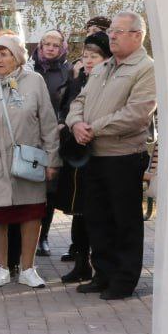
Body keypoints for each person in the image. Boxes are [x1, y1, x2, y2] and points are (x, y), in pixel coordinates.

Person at [65, 11, 156, 300]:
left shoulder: (146, 68)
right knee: (97, 219)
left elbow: (137, 113)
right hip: (93, 156)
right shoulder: (103, 67)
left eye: (118, 31)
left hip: (124, 157)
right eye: (111, 31)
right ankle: (102, 274)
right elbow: (79, 100)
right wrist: (75, 124)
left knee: (124, 222)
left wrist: (93, 128)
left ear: (137, 36)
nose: (111, 36)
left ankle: (124, 280)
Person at [0, 33, 60, 288]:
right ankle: (2, 267)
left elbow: (48, 123)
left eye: (4, 54)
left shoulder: (35, 81)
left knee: (31, 213)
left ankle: (28, 268)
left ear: (17, 57)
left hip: (27, 161)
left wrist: (52, 159)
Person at [54, 31, 109, 283]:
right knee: (78, 213)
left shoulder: (108, 81)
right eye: (85, 56)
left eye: (94, 56)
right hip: (76, 157)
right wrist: (67, 125)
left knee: (96, 213)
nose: (88, 60)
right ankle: (80, 262)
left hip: (99, 155)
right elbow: (67, 109)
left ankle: (101, 267)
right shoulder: (77, 81)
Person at [30, 29, 77, 257]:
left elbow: (72, 102)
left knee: (49, 190)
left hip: (54, 136)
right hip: (29, 135)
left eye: (55, 45)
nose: (50, 48)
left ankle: (43, 237)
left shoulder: (69, 71)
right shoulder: (29, 68)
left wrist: (62, 123)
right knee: (28, 187)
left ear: (62, 48)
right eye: (46, 44)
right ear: (40, 46)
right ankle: (25, 237)